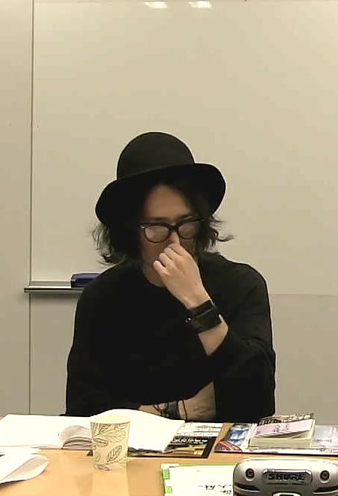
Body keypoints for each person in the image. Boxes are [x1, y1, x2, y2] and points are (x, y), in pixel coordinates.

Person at [65, 131, 276, 422]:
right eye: (157, 227)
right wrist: (179, 410)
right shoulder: (102, 297)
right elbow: (83, 408)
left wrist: (199, 303)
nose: (175, 241)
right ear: (130, 232)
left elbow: (258, 400)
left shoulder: (241, 284)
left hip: (222, 446)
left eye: (186, 224)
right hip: (132, 446)